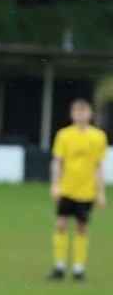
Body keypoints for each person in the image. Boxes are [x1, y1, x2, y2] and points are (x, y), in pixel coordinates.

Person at [48, 98, 108, 281]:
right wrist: (55, 184)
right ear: (72, 114)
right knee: (61, 225)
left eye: (84, 111)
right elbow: (57, 162)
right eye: (77, 111)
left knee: (82, 228)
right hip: (67, 189)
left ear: (91, 113)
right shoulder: (64, 135)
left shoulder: (98, 137)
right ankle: (59, 266)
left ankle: (78, 269)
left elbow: (99, 166)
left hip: (86, 191)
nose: (80, 115)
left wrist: (101, 193)